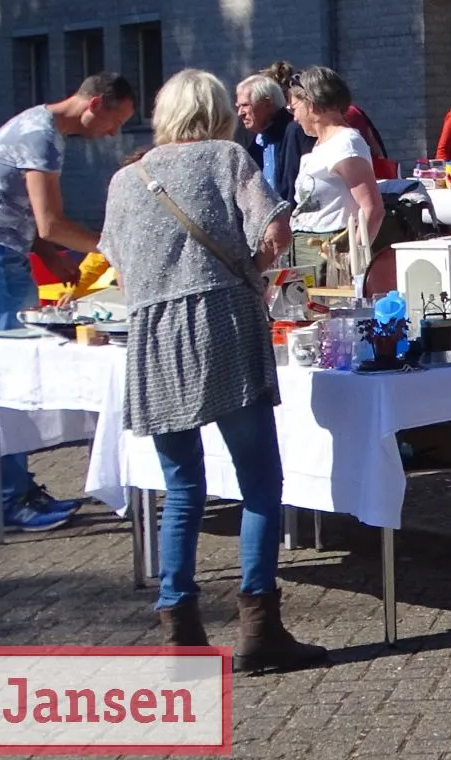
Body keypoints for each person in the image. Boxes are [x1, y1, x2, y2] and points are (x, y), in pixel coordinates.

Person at [98, 70, 326, 671]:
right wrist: (252, 268)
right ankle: (259, 626)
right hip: (223, 321)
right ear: (220, 111)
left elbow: (119, 270)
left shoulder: (126, 179)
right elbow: (277, 228)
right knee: (259, 480)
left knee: (182, 489)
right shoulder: (227, 157)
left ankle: (180, 631)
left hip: (152, 335)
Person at [0, 73, 135, 528]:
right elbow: (50, 221)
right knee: (11, 380)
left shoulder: (41, 129)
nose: (114, 133)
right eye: (115, 120)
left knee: (23, 375)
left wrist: (51, 257)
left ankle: (21, 490)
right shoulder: (42, 136)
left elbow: (30, 218)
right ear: (93, 104)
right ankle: (13, 499)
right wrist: (114, 244)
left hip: (3, 254)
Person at [285, 66, 386, 293]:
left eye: (295, 106)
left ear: (311, 102)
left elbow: (373, 209)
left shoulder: (345, 143)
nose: (294, 115)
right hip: (306, 252)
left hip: (331, 255)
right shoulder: (321, 144)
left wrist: (351, 262)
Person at [236, 73, 310, 205]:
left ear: (267, 104)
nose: (240, 113)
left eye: (246, 105)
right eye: (239, 106)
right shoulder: (252, 141)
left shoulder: (295, 131)